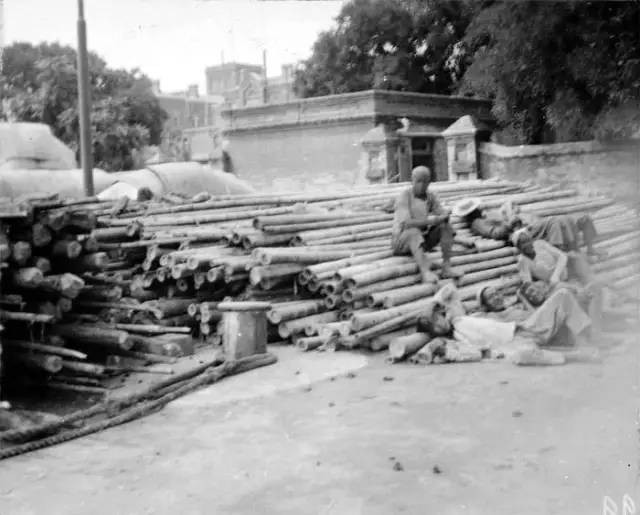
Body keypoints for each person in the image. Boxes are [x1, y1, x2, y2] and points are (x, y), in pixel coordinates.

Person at [416, 282, 593, 365]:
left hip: (523, 329)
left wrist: (431, 305)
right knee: (522, 356)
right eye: (435, 326)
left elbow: (450, 288)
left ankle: (585, 342)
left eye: (438, 319)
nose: (440, 324)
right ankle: (578, 355)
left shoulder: (459, 317)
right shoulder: (456, 337)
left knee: (563, 295)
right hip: (515, 342)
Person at [512, 229, 604, 335]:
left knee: (591, 281)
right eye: (522, 243)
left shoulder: (540, 244)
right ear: (518, 247)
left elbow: (562, 256)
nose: (527, 244)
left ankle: (596, 328)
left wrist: (555, 275)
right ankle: (593, 330)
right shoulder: (523, 261)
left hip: (565, 273)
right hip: (553, 286)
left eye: (528, 240)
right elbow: (528, 284)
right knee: (570, 291)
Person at [392, 166, 463, 284]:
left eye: (425, 181)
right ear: (412, 181)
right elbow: (406, 223)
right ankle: (425, 272)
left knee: (445, 227)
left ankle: (446, 267)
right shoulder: (404, 196)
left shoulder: (430, 196)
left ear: (429, 182)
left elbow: (439, 210)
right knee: (413, 232)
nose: (422, 185)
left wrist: (445, 215)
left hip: (422, 240)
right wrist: (433, 220)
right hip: (402, 242)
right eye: (418, 181)